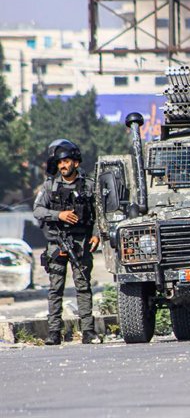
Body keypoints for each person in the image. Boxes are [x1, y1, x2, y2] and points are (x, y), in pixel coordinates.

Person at [33, 139, 101, 345]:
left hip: (81, 242)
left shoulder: (88, 185)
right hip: (57, 242)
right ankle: (54, 332)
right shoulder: (50, 186)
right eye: (60, 163)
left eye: (67, 162)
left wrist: (96, 234)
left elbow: (99, 213)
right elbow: (37, 211)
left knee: (83, 286)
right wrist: (59, 215)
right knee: (55, 288)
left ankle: (88, 331)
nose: (63, 166)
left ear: (76, 163)